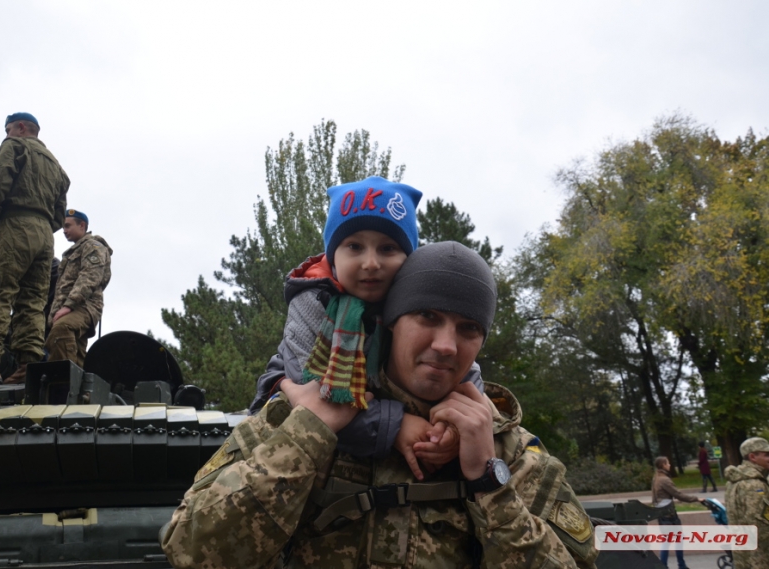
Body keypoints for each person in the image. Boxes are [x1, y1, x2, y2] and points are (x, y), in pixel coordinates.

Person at [163, 241, 598, 568]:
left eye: (468, 328)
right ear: (390, 322)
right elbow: (191, 551)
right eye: (427, 317)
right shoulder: (298, 414)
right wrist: (309, 434)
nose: (446, 345)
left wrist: (489, 482)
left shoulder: (510, 453)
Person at [249, 177, 483, 479]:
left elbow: (467, 373)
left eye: (387, 248)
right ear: (333, 255)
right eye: (354, 246)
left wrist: (450, 428)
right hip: (293, 427)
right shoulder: (312, 301)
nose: (371, 263)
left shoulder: (416, 307)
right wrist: (396, 425)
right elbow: (316, 400)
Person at [0, 112, 69, 383]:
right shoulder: (57, 167)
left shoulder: (14, 147)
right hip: (46, 236)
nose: (6, 134)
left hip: (14, 226)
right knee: (33, 302)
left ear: (21, 128)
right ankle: (27, 367)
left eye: (8, 129)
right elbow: (60, 212)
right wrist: (45, 228)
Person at [44, 209, 112, 367]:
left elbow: (90, 276)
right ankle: (79, 389)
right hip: (72, 307)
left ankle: (62, 383)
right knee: (78, 354)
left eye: (68, 226)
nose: (64, 230)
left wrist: (68, 306)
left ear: (82, 226)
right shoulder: (72, 252)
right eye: (63, 227)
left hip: (84, 306)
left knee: (62, 329)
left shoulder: (93, 246)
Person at [652, 456, 705, 569]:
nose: (670, 465)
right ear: (663, 465)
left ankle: (669, 565)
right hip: (668, 515)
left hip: (662, 513)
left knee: (668, 540)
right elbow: (678, 495)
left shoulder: (656, 477)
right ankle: (679, 565)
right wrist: (696, 499)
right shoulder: (664, 480)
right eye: (668, 463)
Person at [724, 437, 769, 569]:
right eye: (766, 455)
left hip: (742, 553)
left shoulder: (733, 481)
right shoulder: (754, 484)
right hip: (759, 557)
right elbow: (759, 523)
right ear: (752, 457)